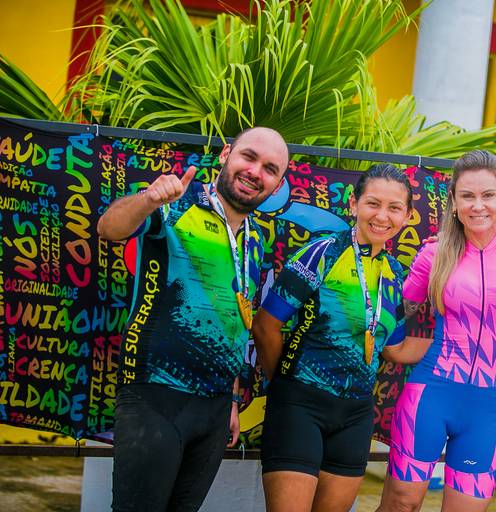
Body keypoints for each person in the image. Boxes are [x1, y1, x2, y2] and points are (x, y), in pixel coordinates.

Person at [97, 127, 290, 511]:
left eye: (270, 168)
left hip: (214, 410)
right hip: (156, 396)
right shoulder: (176, 204)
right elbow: (109, 228)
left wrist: (232, 399)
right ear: (225, 154)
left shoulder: (255, 239)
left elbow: (235, 320)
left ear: (277, 184)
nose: (255, 172)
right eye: (248, 157)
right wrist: (148, 200)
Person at [378, 150, 496, 512]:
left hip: (486, 407)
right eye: (467, 196)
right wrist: (393, 347)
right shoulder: (434, 254)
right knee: (401, 505)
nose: (478, 206)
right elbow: (395, 313)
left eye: (488, 195)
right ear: (454, 202)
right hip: (430, 396)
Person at [251, 164, 415, 512]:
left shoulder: (394, 274)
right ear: (354, 204)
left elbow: (394, 348)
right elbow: (265, 325)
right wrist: (285, 385)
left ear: (407, 215)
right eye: (373, 203)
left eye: (394, 208)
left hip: (356, 415)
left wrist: (455, 347)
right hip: (300, 405)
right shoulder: (322, 253)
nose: (382, 216)